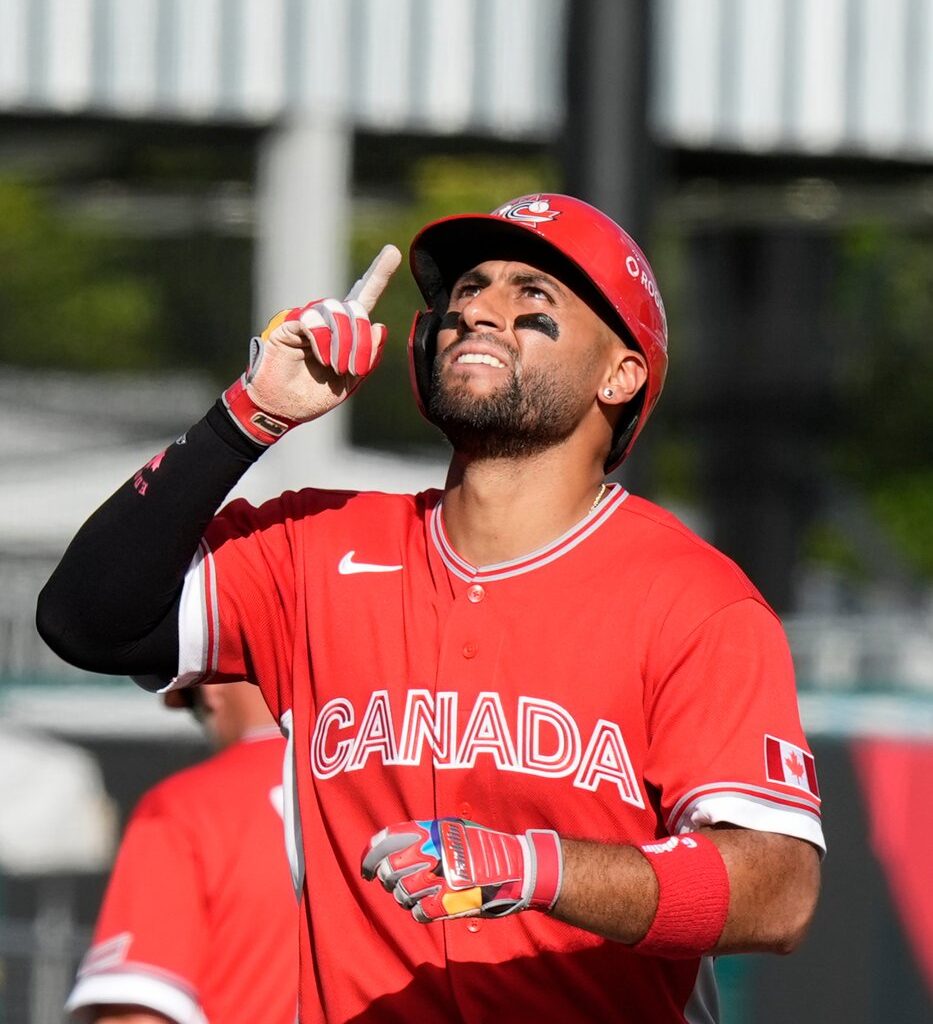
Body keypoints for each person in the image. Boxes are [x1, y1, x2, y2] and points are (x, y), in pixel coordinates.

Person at [39, 193, 824, 1024]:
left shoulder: (693, 599)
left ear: (619, 374)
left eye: (532, 297)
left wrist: (536, 868)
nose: (478, 309)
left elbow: (776, 892)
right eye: (467, 291)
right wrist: (250, 415)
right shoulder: (315, 546)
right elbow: (88, 619)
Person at [65, 681, 299, 1024]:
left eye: (192, 704)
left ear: (213, 689)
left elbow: (136, 1015)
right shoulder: (392, 793)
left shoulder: (187, 806)